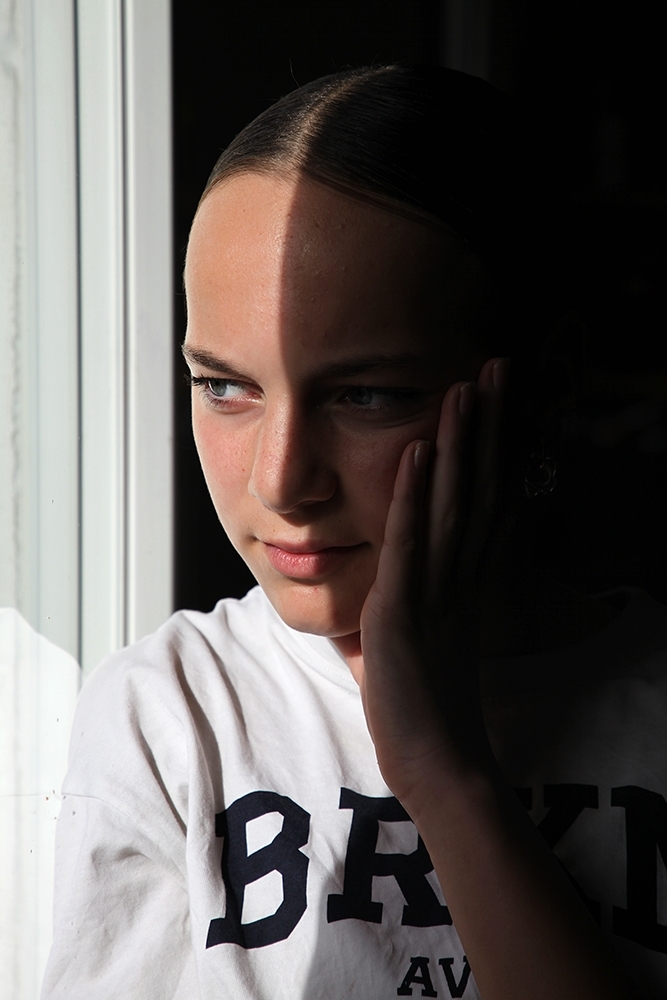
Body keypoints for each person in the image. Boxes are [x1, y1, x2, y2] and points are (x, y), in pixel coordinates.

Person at [42, 65, 667, 999]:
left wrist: (441, 773)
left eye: (366, 395)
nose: (280, 479)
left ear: (543, 394)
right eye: (225, 385)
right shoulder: (175, 717)